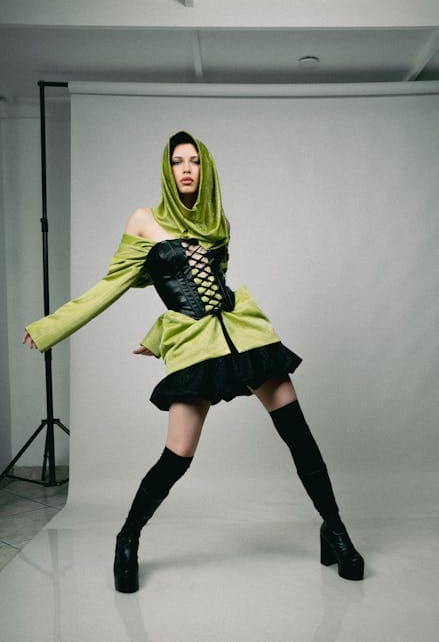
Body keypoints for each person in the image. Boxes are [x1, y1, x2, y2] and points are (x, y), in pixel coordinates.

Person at [22, 130, 364, 593]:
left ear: (205, 169)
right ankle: (127, 538)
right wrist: (51, 329)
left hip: (244, 334)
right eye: (178, 161)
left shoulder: (216, 220)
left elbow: (215, 285)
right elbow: (110, 287)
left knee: (298, 432)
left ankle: (336, 531)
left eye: (194, 161)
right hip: (196, 345)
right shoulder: (145, 220)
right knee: (178, 454)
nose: (186, 169)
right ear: (168, 169)